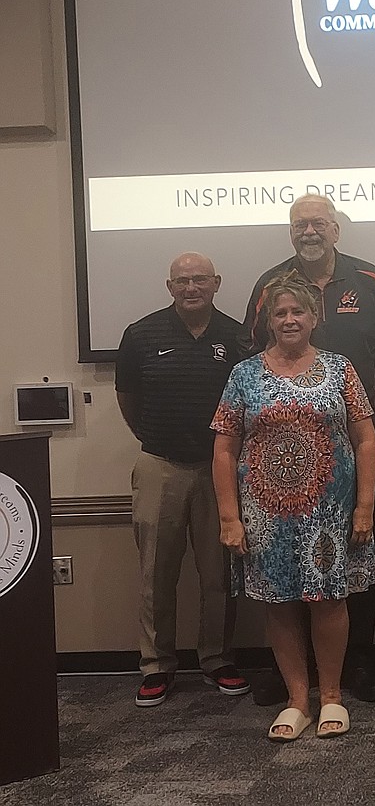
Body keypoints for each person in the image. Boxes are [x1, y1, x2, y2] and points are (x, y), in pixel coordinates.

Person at [212, 272, 375, 740]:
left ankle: (331, 698)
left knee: (330, 600)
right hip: (265, 515)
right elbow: (224, 449)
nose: (289, 320)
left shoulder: (339, 368)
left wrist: (365, 505)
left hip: (331, 514)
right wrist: (230, 517)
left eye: (297, 312)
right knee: (279, 604)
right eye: (280, 313)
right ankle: (297, 701)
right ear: (268, 319)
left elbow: (366, 439)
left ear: (315, 318)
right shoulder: (244, 374)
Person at [242, 193, 375, 705]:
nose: (309, 232)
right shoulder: (269, 285)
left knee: (354, 555)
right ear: (290, 232)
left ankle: (360, 663)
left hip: (355, 451)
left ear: (335, 229)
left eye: (318, 223)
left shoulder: (369, 280)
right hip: (279, 467)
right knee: (284, 568)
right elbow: (252, 363)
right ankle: (296, 677)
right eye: (300, 224)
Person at [115, 252, 250, 707]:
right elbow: (128, 401)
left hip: (220, 469)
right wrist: (157, 437)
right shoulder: (140, 334)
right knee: (157, 573)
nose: (191, 287)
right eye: (182, 281)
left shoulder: (237, 336)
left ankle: (217, 658)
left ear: (216, 283)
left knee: (218, 573)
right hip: (160, 465)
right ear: (169, 287)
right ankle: (156, 665)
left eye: (200, 280)